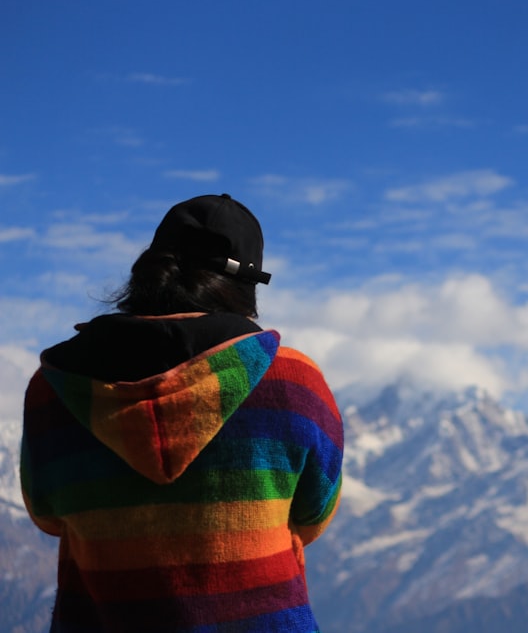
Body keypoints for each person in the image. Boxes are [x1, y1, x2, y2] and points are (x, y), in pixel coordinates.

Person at [20, 194, 344, 632]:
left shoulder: (54, 388)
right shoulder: (291, 383)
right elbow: (312, 516)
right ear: (244, 287)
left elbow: (47, 516)